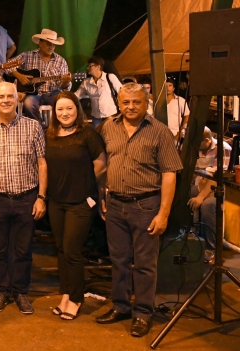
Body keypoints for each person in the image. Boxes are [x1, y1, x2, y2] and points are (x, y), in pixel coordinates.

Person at [95, 83, 182, 337]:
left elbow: (169, 174)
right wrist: (101, 194)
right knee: (118, 261)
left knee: (145, 264)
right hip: (115, 204)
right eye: (126, 102)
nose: (130, 107)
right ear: (119, 103)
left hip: (146, 206)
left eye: (136, 102)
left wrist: (163, 214)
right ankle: (121, 306)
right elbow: (103, 163)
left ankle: (143, 313)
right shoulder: (108, 127)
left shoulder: (160, 132)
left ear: (146, 104)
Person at [0, 82, 47, 315]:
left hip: (26, 197)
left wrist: (41, 197)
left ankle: (20, 291)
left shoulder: (33, 127)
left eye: (10, 96)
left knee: (23, 250)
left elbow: (42, 164)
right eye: (1, 97)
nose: (6, 100)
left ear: (18, 99)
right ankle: (0, 291)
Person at [44, 92, 106, 320]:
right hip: (56, 201)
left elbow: (101, 164)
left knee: (72, 251)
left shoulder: (87, 134)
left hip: (80, 202)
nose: (64, 113)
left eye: (69, 108)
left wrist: (84, 182)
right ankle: (66, 294)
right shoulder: (50, 134)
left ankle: (76, 298)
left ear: (77, 110)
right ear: (54, 112)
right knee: (61, 250)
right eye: (60, 109)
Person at [6, 29, 72, 123]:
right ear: (40, 43)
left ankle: (56, 127)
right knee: (28, 104)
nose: (51, 47)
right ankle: (39, 127)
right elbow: (7, 65)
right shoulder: (27, 56)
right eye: (48, 44)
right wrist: (19, 75)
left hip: (53, 93)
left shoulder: (61, 61)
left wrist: (66, 82)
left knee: (63, 102)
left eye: (53, 45)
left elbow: (65, 88)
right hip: (33, 94)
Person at [189, 126, 231, 263]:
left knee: (208, 205)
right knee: (183, 196)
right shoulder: (195, 146)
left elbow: (216, 177)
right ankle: (192, 241)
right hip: (200, 183)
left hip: (218, 187)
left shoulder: (223, 148)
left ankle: (210, 249)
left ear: (207, 140)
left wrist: (200, 197)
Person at [75, 56, 122, 129]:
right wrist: (65, 97)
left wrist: (121, 109)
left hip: (111, 115)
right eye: (88, 66)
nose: (87, 68)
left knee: (112, 134)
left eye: (90, 66)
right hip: (96, 116)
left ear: (98, 67)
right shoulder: (86, 82)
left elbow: (122, 92)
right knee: (97, 134)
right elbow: (77, 95)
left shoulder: (110, 77)